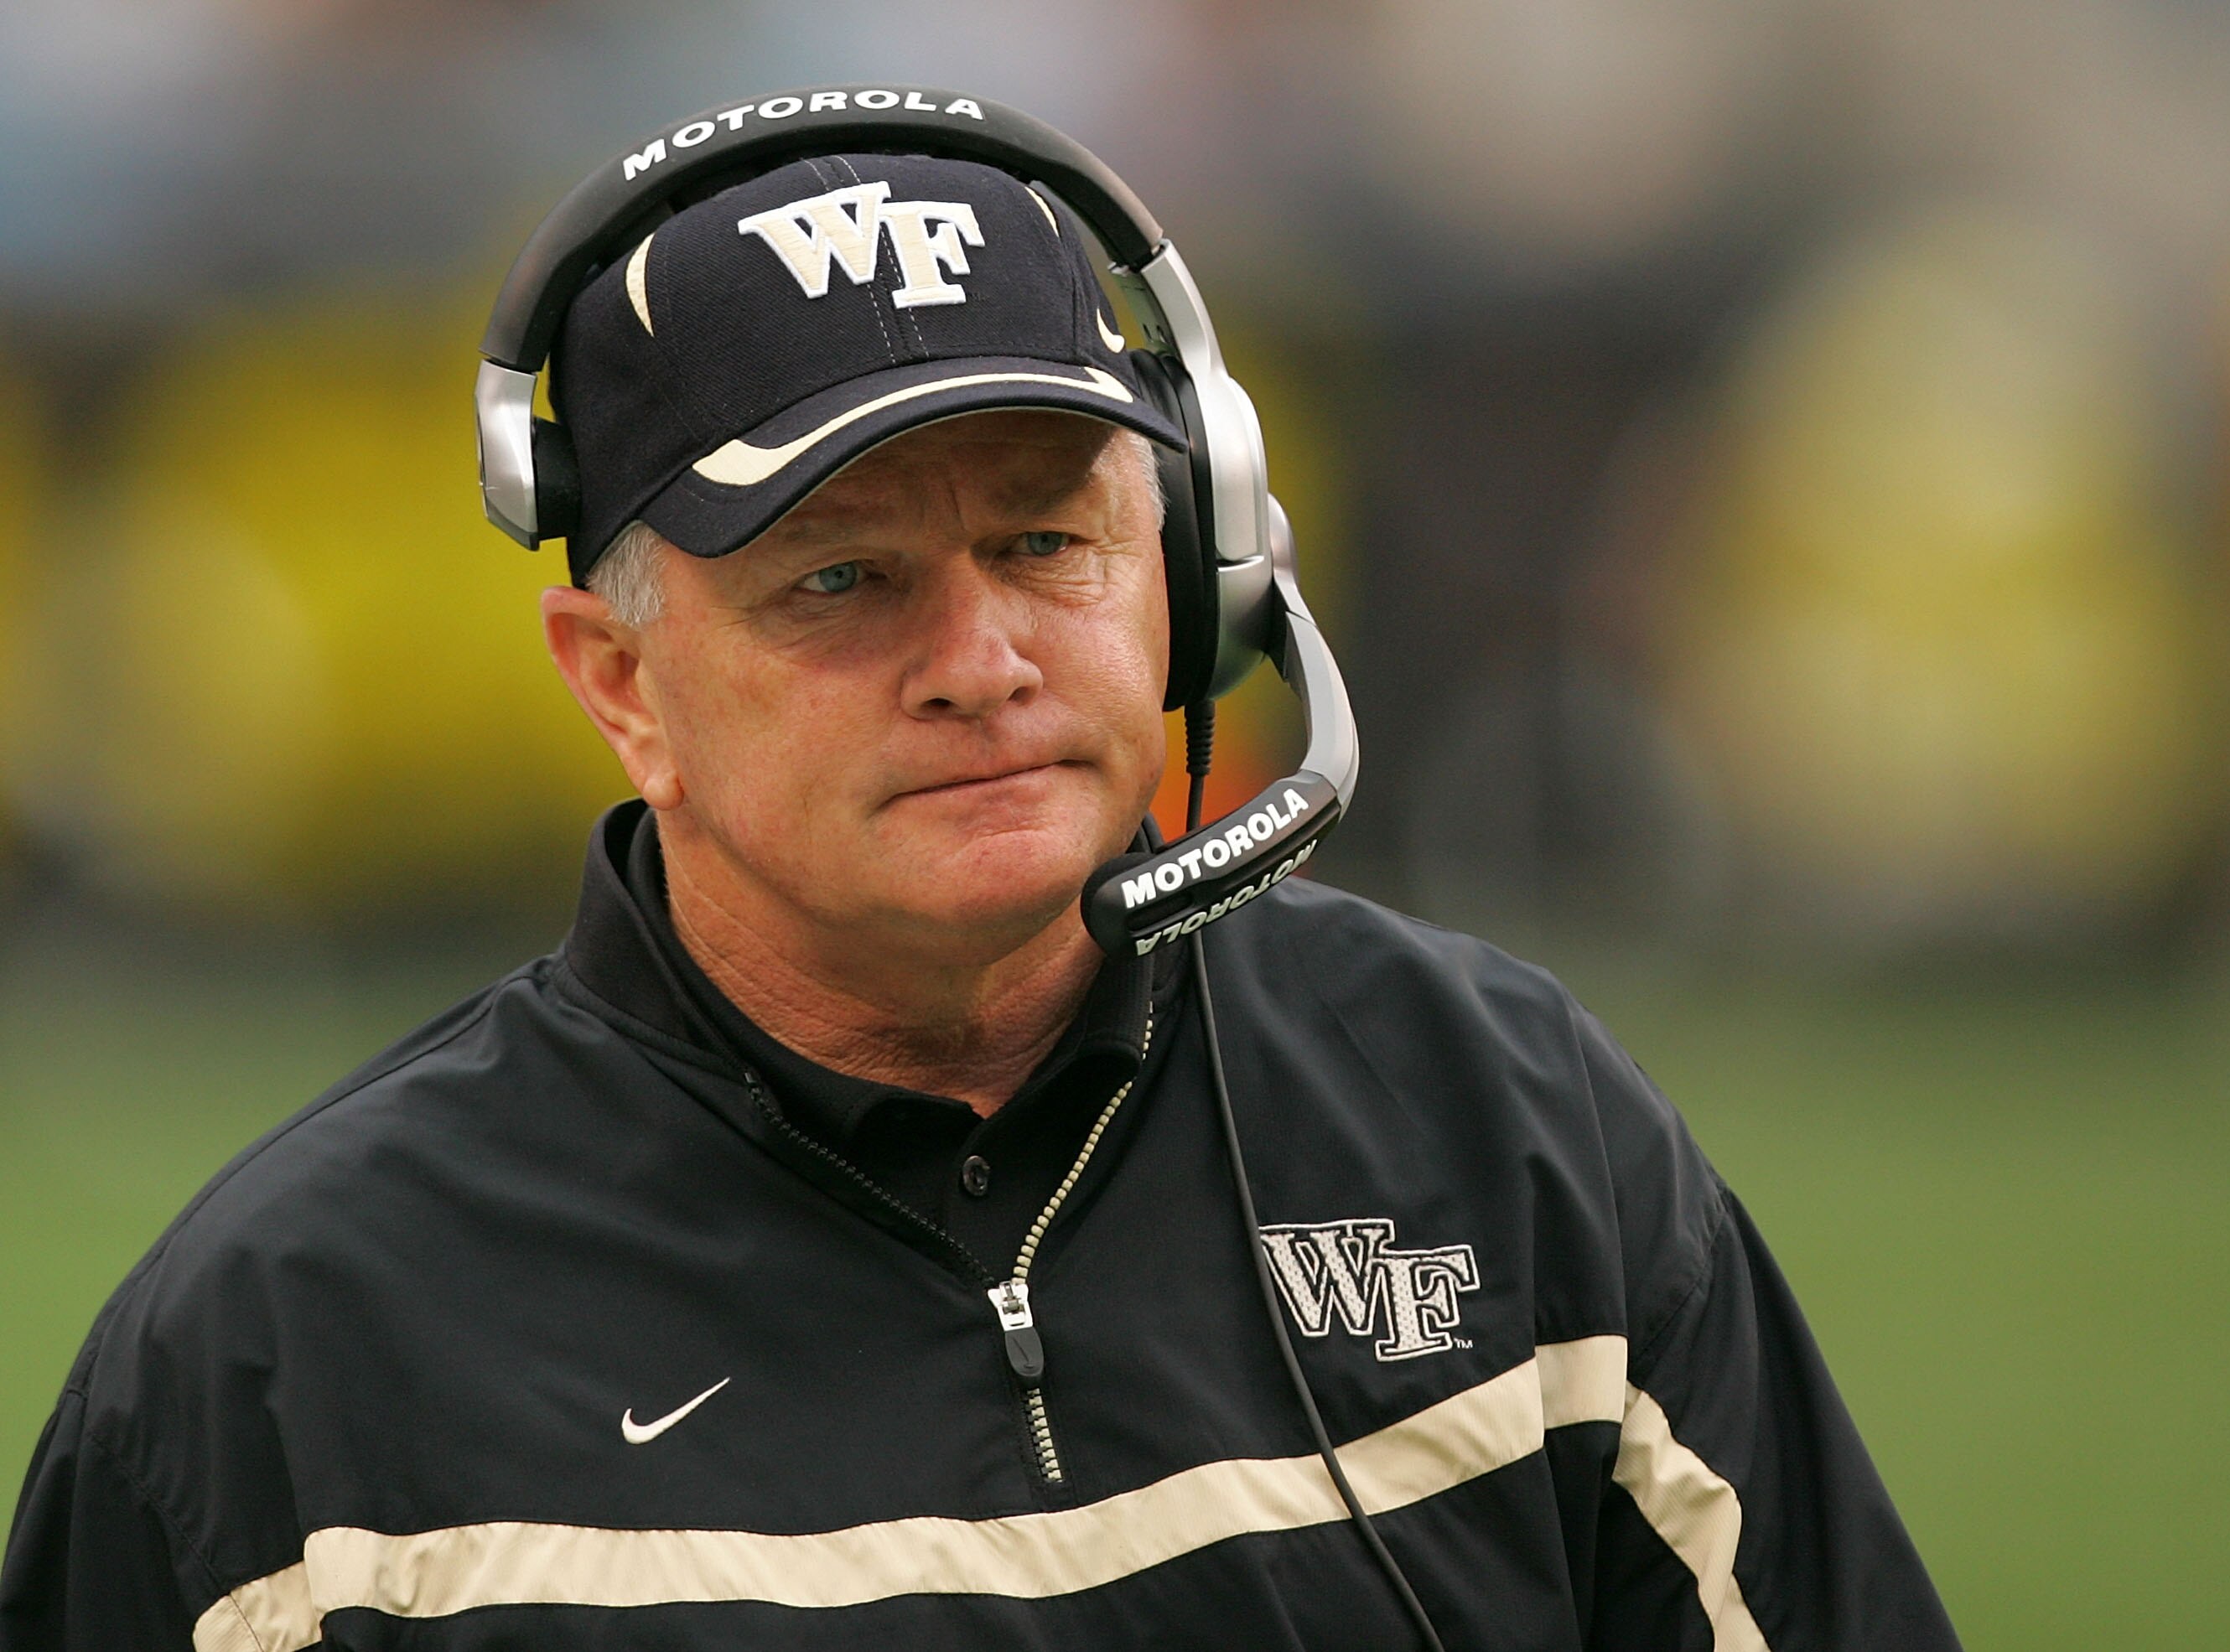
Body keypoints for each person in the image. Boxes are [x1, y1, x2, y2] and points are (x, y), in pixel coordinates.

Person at [0, 95, 1960, 1652]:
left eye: (1045, 545)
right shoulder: (289, 1347)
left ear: (1200, 582)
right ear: (623, 689)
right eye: (842, 580)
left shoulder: (1507, 1128)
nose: (985, 661)